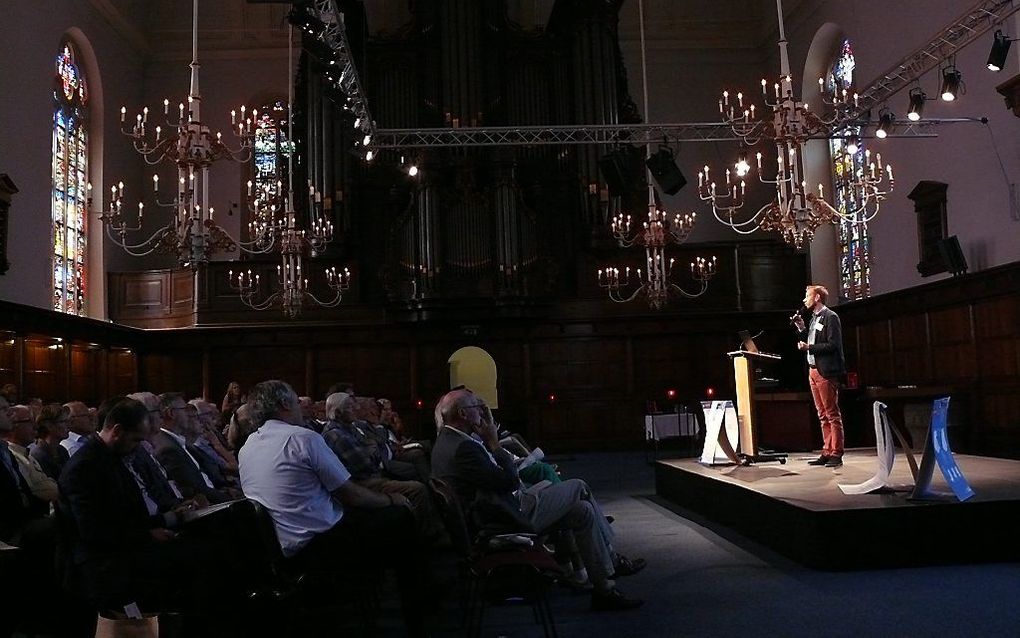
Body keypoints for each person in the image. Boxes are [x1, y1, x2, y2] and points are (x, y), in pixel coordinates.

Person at [239, 380, 430, 636]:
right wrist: (392, 500)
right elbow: (350, 494)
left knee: (385, 518)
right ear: (284, 404)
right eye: (296, 401)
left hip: (281, 550)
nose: (301, 409)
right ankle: (418, 613)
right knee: (402, 517)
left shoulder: (248, 446)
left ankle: (417, 599)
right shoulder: (302, 438)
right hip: (320, 545)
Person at [432, 388, 645, 611]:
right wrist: (494, 444)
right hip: (504, 520)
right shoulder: (463, 447)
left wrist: (489, 425)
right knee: (579, 485)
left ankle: (604, 590)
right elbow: (509, 482)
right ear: (463, 414)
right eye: (478, 407)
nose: (483, 413)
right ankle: (612, 558)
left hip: (498, 510)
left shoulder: (449, 440)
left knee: (583, 512)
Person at [793, 284, 847, 468]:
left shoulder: (831, 317)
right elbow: (811, 339)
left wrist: (809, 348)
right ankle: (826, 450)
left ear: (817, 297)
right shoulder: (814, 318)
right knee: (822, 414)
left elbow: (833, 345)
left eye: (807, 295)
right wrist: (801, 328)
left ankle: (836, 453)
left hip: (826, 371)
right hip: (813, 370)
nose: (804, 299)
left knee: (832, 413)